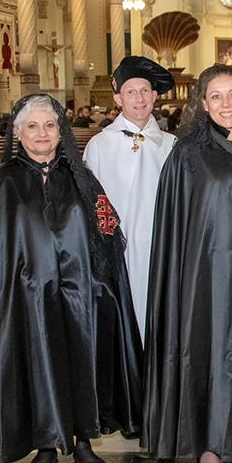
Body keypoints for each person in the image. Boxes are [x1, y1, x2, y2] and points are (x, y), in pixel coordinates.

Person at [0, 94, 143, 463]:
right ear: (18, 133)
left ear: (61, 131)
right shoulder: (2, 183)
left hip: (79, 295)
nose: (42, 134)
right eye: (32, 126)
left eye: (50, 125)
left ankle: (84, 441)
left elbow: (108, 229)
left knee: (80, 365)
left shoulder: (81, 177)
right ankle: (45, 446)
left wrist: (104, 278)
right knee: (38, 365)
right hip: (27, 298)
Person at [142, 64, 232, 463]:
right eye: (216, 96)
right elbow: (174, 223)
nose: (226, 104)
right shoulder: (187, 155)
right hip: (205, 276)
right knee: (210, 351)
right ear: (202, 103)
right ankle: (208, 445)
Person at [84, 55, 177, 338]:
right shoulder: (99, 146)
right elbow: (90, 204)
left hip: (161, 251)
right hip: (117, 253)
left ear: (155, 96)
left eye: (145, 91)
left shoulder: (172, 146)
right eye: (131, 92)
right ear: (118, 99)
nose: (139, 98)